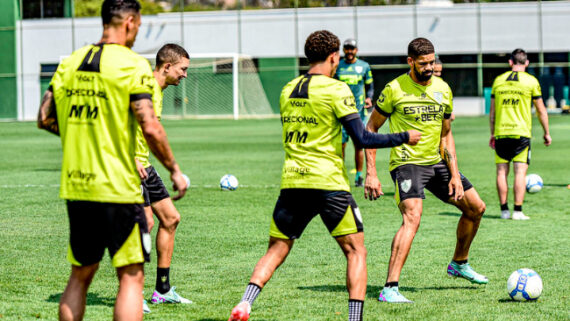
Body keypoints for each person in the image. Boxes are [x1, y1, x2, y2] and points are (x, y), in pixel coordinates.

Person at [227, 30, 420, 321]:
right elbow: (363, 139)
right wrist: (404, 136)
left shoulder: (287, 89)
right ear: (333, 57)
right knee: (356, 252)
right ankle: (354, 319)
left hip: (293, 182)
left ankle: (245, 302)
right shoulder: (337, 89)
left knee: (277, 248)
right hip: (328, 184)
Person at [37, 1, 188, 320]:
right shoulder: (133, 65)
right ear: (130, 22)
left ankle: (164, 290)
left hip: (77, 186)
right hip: (119, 183)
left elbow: (44, 117)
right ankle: (158, 291)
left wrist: (87, 138)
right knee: (131, 277)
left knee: (79, 275)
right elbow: (149, 126)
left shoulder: (71, 62)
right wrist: (174, 169)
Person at [364, 38, 487, 303]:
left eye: (432, 62)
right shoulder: (394, 89)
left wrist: (454, 173)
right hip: (407, 163)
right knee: (413, 216)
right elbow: (370, 128)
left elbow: (446, 134)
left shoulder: (443, 89)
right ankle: (390, 288)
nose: (430, 67)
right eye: (424, 63)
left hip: (437, 163)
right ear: (410, 62)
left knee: (476, 208)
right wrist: (371, 173)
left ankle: (459, 262)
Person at [134, 44, 192, 313]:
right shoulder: (143, 85)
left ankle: (163, 290)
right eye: (183, 69)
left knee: (170, 218)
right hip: (130, 167)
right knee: (144, 223)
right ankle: (133, 294)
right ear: (167, 66)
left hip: (144, 166)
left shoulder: (157, 91)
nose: (185, 75)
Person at [489, 48, 551, 220]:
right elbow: (541, 110)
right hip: (521, 133)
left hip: (501, 132)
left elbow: (492, 112)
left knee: (501, 172)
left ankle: (503, 211)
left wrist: (492, 133)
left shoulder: (498, 81)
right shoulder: (531, 81)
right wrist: (547, 132)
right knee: (520, 172)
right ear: (527, 63)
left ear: (510, 62)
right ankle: (517, 211)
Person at [334, 38, 375, 187]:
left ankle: (359, 176)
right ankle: (340, 173)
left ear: (356, 50)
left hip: (358, 114)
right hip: (341, 113)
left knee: (359, 144)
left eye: (352, 48)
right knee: (341, 145)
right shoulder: (338, 66)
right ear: (344, 50)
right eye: (347, 48)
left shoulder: (364, 66)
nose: (349, 51)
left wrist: (369, 98)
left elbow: (370, 86)